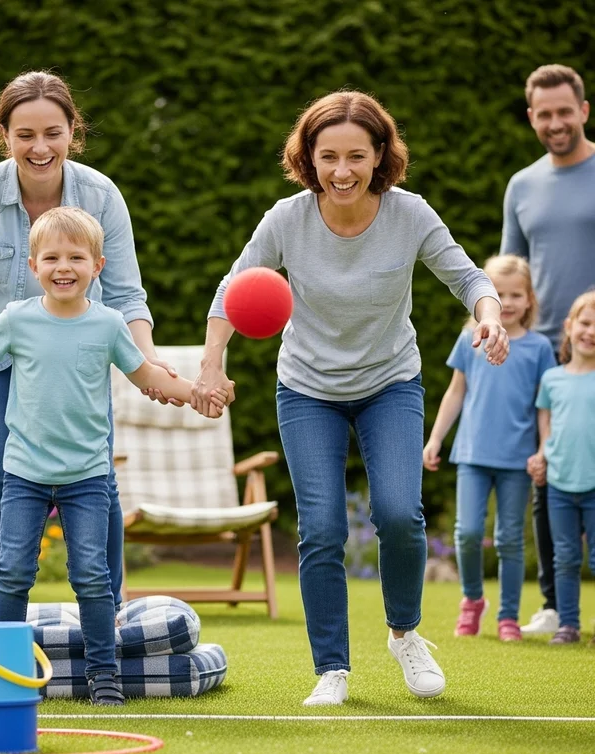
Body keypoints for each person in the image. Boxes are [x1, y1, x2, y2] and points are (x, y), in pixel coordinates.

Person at [191, 91, 508, 706]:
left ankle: (405, 633)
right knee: (322, 529)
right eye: (328, 155)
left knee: (397, 512)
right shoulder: (287, 219)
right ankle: (331, 668)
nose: (342, 170)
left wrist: (488, 317)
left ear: (380, 155)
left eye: (356, 156)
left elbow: (468, 277)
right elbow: (232, 291)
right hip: (307, 388)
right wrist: (210, 365)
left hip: (390, 382)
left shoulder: (409, 215)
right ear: (308, 157)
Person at [0, 207, 221, 704]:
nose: (63, 266)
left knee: (93, 575)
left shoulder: (110, 324)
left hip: (87, 477)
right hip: (24, 475)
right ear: (33, 267)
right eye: (51, 257)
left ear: (98, 265)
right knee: (12, 571)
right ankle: (2, 673)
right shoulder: (17, 319)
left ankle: (104, 676)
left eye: (76, 257)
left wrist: (197, 392)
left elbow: (149, 377)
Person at [0, 71, 179, 623]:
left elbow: (126, 292)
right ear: (5, 135)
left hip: (74, 359)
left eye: (52, 133)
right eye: (25, 135)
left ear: (72, 131)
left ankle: (107, 610)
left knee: (96, 477)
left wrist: (149, 360)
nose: (39, 147)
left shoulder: (101, 195)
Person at [500, 64, 595, 636]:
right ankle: (556, 604)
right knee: (547, 478)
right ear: (531, 116)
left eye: (565, 111)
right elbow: (512, 274)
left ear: (584, 110)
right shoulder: (522, 185)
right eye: (544, 113)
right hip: (548, 357)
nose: (555, 122)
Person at [423, 256, 555, 642]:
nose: (508, 302)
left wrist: (543, 449)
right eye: (499, 294)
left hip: (517, 459)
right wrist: (435, 438)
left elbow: (545, 408)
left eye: (517, 294)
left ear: (530, 300)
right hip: (472, 455)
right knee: (465, 534)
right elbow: (455, 392)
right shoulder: (471, 340)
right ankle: (472, 601)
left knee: (510, 539)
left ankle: (508, 616)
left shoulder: (539, 348)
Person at [527, 291, 595, 646]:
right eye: (585, 322)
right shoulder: (552, 379)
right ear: (569, 327)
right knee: (565, 557)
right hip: (559, 486)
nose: (591, 331)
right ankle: (568, 624)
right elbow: (546, 424)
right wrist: (541, 456)